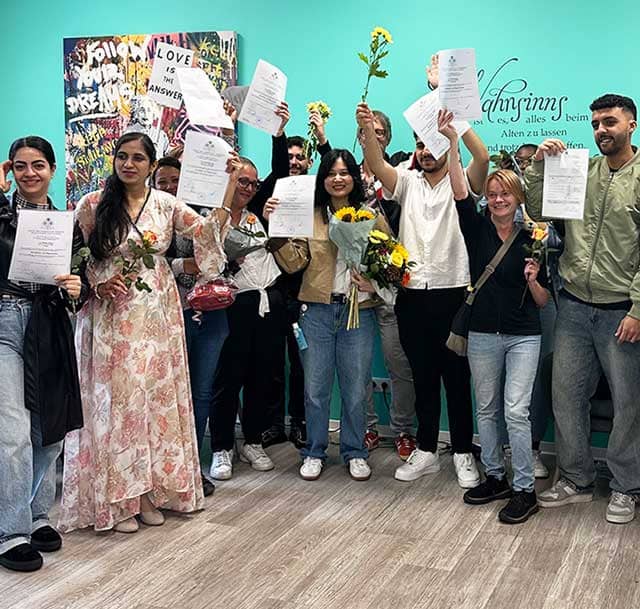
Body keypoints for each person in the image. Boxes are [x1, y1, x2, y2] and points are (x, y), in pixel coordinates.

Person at [59, 132, 233, 534]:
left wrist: (226, 189)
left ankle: (149, 493)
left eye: (138, 158)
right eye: (122, 156)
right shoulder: (92, 204)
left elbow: (206, 233)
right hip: (110, 317)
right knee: (119, 402)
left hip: (156, 314)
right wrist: (97, 285)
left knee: (153, 400)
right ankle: (120, 499)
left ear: (152, 165)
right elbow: (75, 259)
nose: (129, 164)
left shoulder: (166, 204)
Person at [356, 100, 489, 488]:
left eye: (432, 143)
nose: (426, 151)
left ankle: (462, 451)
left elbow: (482, 157)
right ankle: (427, 450)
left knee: (456, 377)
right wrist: (367, 129)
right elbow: (375, 163)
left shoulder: (462, 181)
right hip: (412, 295)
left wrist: (457, 126)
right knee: (423, 376)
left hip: (454, 292)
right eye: (420, 144)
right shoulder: (406, 181)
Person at [525, 93, 640, 524]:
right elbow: (538, 209)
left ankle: (627, 487)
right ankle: (576, 478)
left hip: (621, 311)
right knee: (567, 395)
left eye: (609, 122)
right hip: (573, 305)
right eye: (595, 124)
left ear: (631, 125)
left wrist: (638, 308)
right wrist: (540, 166)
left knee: (630, 404)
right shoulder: (580, 171)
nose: (601, 131)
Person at [439, 109, 550, 523]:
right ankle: (496, 476)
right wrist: (453, 143)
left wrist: (534, 280)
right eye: (493, 194)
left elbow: (542, 301)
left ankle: (525, 489)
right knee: (485, 408)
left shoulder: (533, 237)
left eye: (506, 194)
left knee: (515, 411)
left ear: (518, 198)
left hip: (524, 334)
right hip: (483, 332)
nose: (499, 199)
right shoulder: (476, 228)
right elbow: (458, 190)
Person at [264, 148, 389, 481]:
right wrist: (276, 229)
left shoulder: (370, 215)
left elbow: (391, 261)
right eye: (331, 173)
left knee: (356, 389)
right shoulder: (310, 215)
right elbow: (294, 263)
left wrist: (374, 283)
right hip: (315, 311)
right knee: (315, 389)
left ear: (354, 178)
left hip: (358, 312)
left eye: (344, 173)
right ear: (322, 179)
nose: (338, 179)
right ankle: (314, 451)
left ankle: (355, 451)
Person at [0, 137, 87, 571]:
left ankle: (35, 516)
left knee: (50, 431)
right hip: (5, 322)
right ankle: (9, 532)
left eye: (37, 165)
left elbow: (81, 283)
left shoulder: (67, 224)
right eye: (20, 166)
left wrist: (76, 288)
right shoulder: (1, 214)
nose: (29, 173)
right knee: (12, 432)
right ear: (10, 171)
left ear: (53, 169)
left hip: (50, 324)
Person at [313, 108, 417, 461]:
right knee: (357, 372)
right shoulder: (351, 177)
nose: (372, 136)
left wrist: (381, 277)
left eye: (379, 132)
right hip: (350, 293)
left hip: (388, 286)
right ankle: (367, 428)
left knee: (398, 363)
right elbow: (330, 173)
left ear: (387, 137)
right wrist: (321, 136)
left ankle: (403, 430)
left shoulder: (401, 170)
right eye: (365, 132)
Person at [209, 103, 292, 481]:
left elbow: (281, 172)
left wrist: (278, 132)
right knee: (229, 377)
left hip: (268, 301)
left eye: (252, 184)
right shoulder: (214, 214)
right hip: (234, 304)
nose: (248, 188)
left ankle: (254, 440)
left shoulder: (258, 211)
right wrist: (226, 127)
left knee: (263, 375)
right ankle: (222, 447)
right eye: (241, 181)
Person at [152, 156, 227, 498]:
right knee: (170, 394)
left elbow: (218, 253)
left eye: (175, 180)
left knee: (201, 393)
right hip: (170, 313)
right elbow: (143, 262)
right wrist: (183, 264)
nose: (169, 187)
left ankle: (192, 469)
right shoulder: (150, 219)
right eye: (162, 181)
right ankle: (165, 471)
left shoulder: (201, 215)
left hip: (211, 313)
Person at [259, 135, 310, 450]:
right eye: (289, 156)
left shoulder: (316, 193)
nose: (294, 162)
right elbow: (277, 168)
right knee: (272, 361)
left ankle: (300, 422)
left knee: (303, 363)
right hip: (274, 290)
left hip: (306, 290)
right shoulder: (269, 191)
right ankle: (274, 424)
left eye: (299, 157)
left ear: (308, 162)